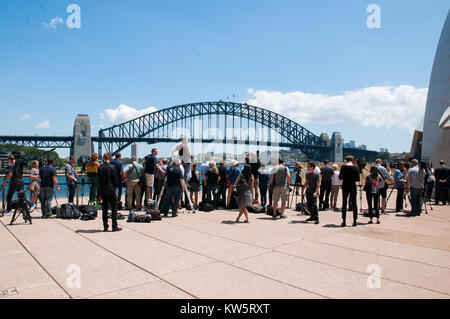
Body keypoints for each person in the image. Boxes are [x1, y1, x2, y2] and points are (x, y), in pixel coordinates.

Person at [98, 153, 122, 232]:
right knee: (114, 208)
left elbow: (99, 180)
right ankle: (114, 226)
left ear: (104, 158)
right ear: (110, 159)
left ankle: (105, 226)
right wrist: (115, 187)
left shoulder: (100, 167)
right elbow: (114, 179)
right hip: (111, 189)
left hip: (103, 190)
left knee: (104, 209)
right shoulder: (112, 167)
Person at [339, 155, 360, 227]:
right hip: (353, 185)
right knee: (354, 203)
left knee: (344, 202)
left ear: (346, 160)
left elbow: (340, 177)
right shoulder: (356, 167)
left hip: (345, 185)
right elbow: (358, 179)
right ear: (352, 160)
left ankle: (344, 221)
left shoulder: (343, 167)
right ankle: (355, 221)